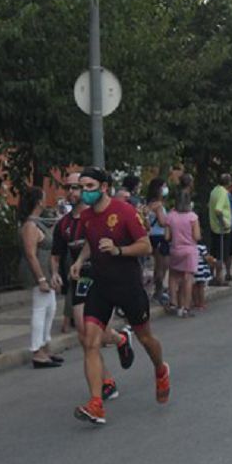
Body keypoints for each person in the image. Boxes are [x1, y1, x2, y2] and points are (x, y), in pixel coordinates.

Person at [70, 167, 170, 426]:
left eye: (89, 187)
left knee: (146, 338)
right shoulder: (87, 217)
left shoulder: (124, 211)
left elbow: (146, 245)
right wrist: (80, 261)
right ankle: (96, 403)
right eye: (82, 187)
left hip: (128, 286)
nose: (85, 192)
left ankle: (160, 369)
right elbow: (91, 243)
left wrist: (118, 250)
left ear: (104, 187)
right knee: (89, 341)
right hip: (101, 286)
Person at [50, 173, 130, 401]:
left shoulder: (98, 216)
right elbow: (56, 255)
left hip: (103, 275)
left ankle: (119, 339)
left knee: (94, 332)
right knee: (85, 334)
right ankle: (106, 381)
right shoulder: (63, 224)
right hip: (80, 279)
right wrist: (54, 273)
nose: (73, 192)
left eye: (77, 187)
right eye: (69, 188)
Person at [18, 187, 63, 368]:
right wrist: (41, 279)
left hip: (46, 272)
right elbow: (30, 254)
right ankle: (37, 351)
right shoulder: (30, 225)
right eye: (43, 198)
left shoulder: (38, 222)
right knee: (40, 309)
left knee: (50, 309)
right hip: (38, 273)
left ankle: (45, 347)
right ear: (38, 202)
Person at [165, 190, 201, 318]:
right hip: (189, 250)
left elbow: (167, 236)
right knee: (187, 279)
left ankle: (173, 303)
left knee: (173, 276)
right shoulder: (193, 217)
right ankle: (185, 307)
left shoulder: (170, 216)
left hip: (175, 249)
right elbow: (197, 236)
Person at [144, 178, 170, 303]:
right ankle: (159, 291)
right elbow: (162, 222)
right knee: (161, 265)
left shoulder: (148, 204)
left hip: (151, 236)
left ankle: (156, 289)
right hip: (159, 235)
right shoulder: (158, 205)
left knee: (156, 265)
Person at [208, 173, 232, 285]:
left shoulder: (214, 191)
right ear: (229, 183)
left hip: (214, 226)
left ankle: (211, 276)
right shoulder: (223, 192)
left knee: (214, 253)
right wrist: (223, 222)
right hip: (222, 229)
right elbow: (218, 209)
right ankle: (219, 278)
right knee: (221, 255)